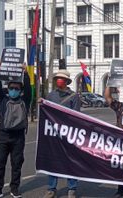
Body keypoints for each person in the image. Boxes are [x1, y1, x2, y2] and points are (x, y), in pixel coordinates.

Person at [0, 62, 31, 198]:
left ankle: (14, 189)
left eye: (16, 88)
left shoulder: (25, 101)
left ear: (20, 90)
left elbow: (28, 90)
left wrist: (25, 74)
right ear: (7, 89)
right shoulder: (3, 100)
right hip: (3, 136)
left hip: (18, 137)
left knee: (17, 165)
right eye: (11, 88)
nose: (13, 90)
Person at [43, 69, 81, 198]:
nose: (58, 80)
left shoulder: (74, 96)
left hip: (68, 134)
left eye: (61, 78)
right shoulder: (50, 95)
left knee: (70, 161)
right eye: (57, 78)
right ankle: (51, 188)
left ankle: (72, 188)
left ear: (66, 81)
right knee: (53, 161)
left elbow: (76, 116)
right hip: (53, 134)